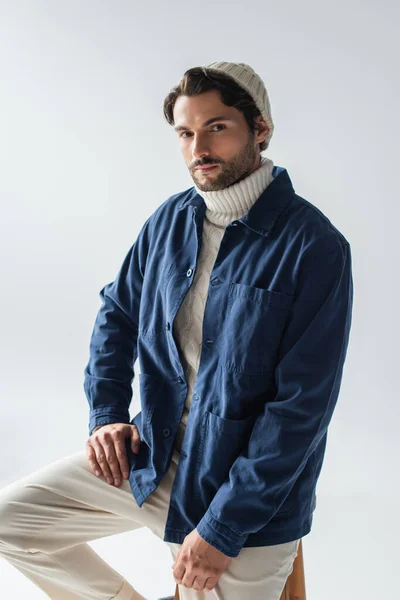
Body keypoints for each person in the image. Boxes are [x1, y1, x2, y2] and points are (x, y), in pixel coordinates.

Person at [0, 61, 353, 600]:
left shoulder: (315, 247)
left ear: (260, 129)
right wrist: (107, 415)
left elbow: (299, 411)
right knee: (11, 523)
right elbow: (116, 316)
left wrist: (222, 530)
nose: (198, 149)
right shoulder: (168, 221)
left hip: (246, 498)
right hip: (152, 458)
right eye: (185, 133)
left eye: (217, 127)